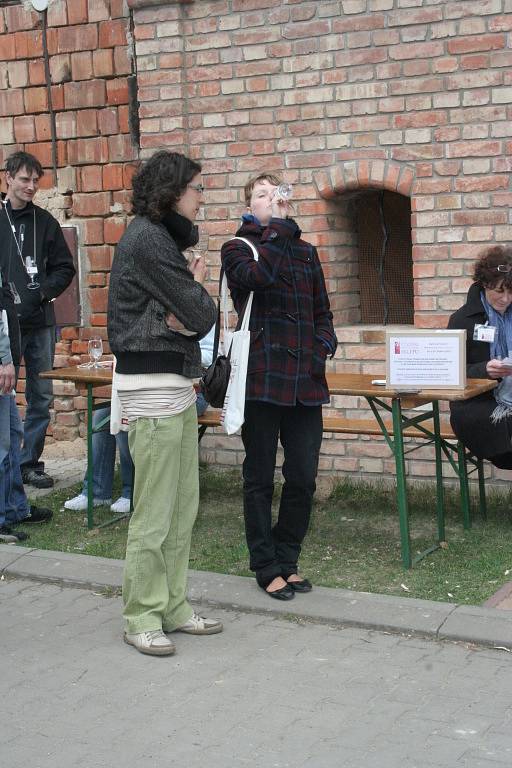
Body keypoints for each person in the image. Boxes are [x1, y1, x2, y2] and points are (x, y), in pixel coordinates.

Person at [107, 150, 221, 656]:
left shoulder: (162, 240)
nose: (202, 197)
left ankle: (173, 606)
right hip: (149, 392)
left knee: (181, 508)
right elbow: (200, 311)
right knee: (154, 513)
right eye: (197, 188)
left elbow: (193, 318)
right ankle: (142, 616)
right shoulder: (149, 239)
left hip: (175, 388)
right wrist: (190, 297)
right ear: (173, 191)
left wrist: (184, 313)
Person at [221, 174, 337, 601]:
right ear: (249, 206)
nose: (272, 199)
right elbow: (260, 278)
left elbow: (324, 312)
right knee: (259, 477)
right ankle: (265, 565)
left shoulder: (307, 253)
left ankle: (288, 559)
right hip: (262, 379)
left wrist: (322, 347)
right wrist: (277, 231)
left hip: (305, 381)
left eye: (276, 193)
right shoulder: (238, 247)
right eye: (261, 195)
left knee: (303, 476)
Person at [63, 326, 213, 514]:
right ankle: (96, 493)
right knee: (102, 416)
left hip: (191, 392)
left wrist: (168, 354)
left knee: (129, 413)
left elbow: (209, 355)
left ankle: (130, 492)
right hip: (153, 386)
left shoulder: (200, 313)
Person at [0, 151, 75, 489]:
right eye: (24, 179)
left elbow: (65, 268)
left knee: (40, 394)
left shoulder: (45, 222)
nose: (31, 186)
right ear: (8, 178)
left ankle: (30, 463)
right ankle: (6, 465)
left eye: (35, 181)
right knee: (4, 391)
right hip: (4, 323)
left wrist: (41, 293)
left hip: (40, 320)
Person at [0, 267, 52, 543]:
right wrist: (3, 359)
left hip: (6, 355)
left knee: (12, 438)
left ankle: (14, 509)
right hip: (1, 361)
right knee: (1, 445)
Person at [448, 245, 512, 469]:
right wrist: (484, 369)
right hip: (479, 403)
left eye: (511, 291)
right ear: (484, 284)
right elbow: (451, 370)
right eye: (499, 291)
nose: (506, 299)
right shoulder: (463, 320)